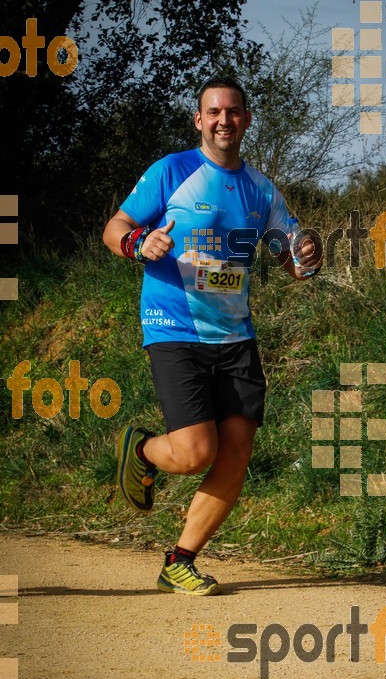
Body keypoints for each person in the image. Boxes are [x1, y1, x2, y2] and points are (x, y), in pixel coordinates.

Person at [102, 77, 322, 596]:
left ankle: (180, 559)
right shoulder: (171, 171)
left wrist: (309, 255)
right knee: (196, 453)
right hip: (173, 327)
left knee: (237, 452)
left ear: (245, 120)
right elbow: (114, 228)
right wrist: (139, 241)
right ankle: (141, 450)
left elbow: (293, 261)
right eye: (213, 112)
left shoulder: (261, 191)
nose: (224, 120)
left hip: (235, 336)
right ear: (199, 120)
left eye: (234, 112)